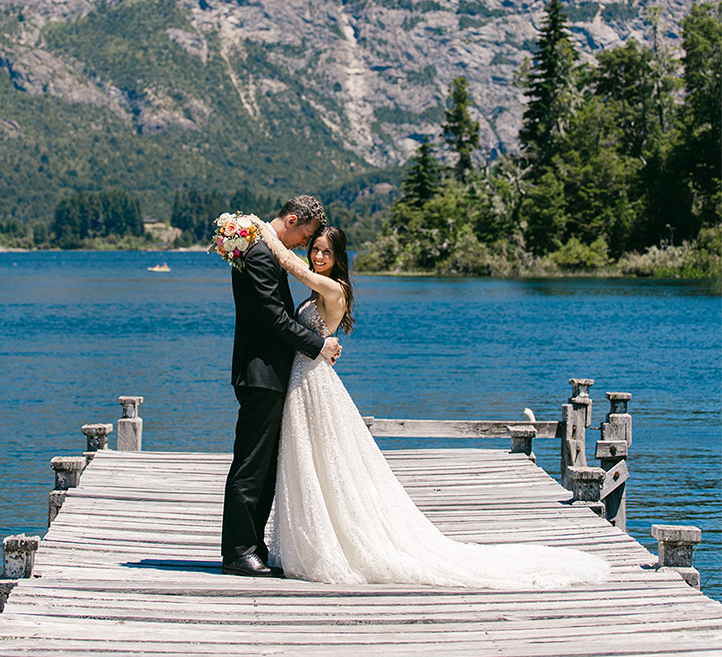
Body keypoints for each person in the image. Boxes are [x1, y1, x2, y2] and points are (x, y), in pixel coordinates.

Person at [254, 218, 612, 590]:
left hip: (313, 380)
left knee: (323, 459)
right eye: (315, 249)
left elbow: (291, 265)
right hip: (306, 378)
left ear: (339, 257)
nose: (318, 255)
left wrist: (262, 231)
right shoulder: (317, 292)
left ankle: (334, 542)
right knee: (307, 459)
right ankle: (312, 539)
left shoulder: (334, 288)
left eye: (326, 251)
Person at [221, 195, 342, 577]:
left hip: (270, 373)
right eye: (304, 236)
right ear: (292, 220)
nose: (302, 246)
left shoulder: (260, 246)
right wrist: (319, 345)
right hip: (261, 372)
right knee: (252, 465)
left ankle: (252, 547)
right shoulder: (258, 252)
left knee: (266, 466)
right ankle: (239, 552)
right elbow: (274, 318)